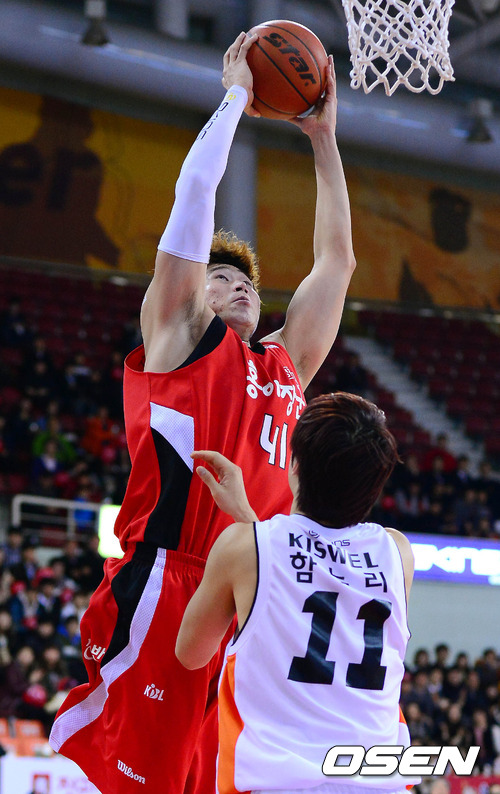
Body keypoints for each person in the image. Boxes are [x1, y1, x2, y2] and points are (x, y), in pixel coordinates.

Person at [49, 30, 356, 794]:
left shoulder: (286, 365)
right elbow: (193, 196)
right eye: (220, 276)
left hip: (250, 595)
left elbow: (337, 262)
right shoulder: (179, 336)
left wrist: (322, 139)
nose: (239, 284)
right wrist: (237, 97)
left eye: (247, 280)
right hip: (166, 581)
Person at [176, 392, 417, 794]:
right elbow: (317, 573)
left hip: (279, 783)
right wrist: (248, 523)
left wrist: (246, 524)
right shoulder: (397, 552)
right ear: (375, 485)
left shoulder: (244, 547)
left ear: (295, 465)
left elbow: (191, 652)